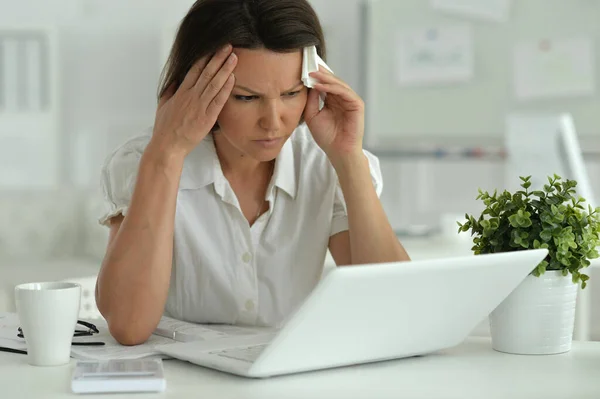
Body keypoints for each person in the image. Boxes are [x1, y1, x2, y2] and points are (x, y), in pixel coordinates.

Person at [96, 0, 410, 346]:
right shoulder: (145, 160)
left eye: (292, 94)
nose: (273, 123)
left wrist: (349, 157)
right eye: (246, 98)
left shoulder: (322, 163)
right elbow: (128, 326)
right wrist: (166, 153)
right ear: (195, 89)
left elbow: (394, 311)